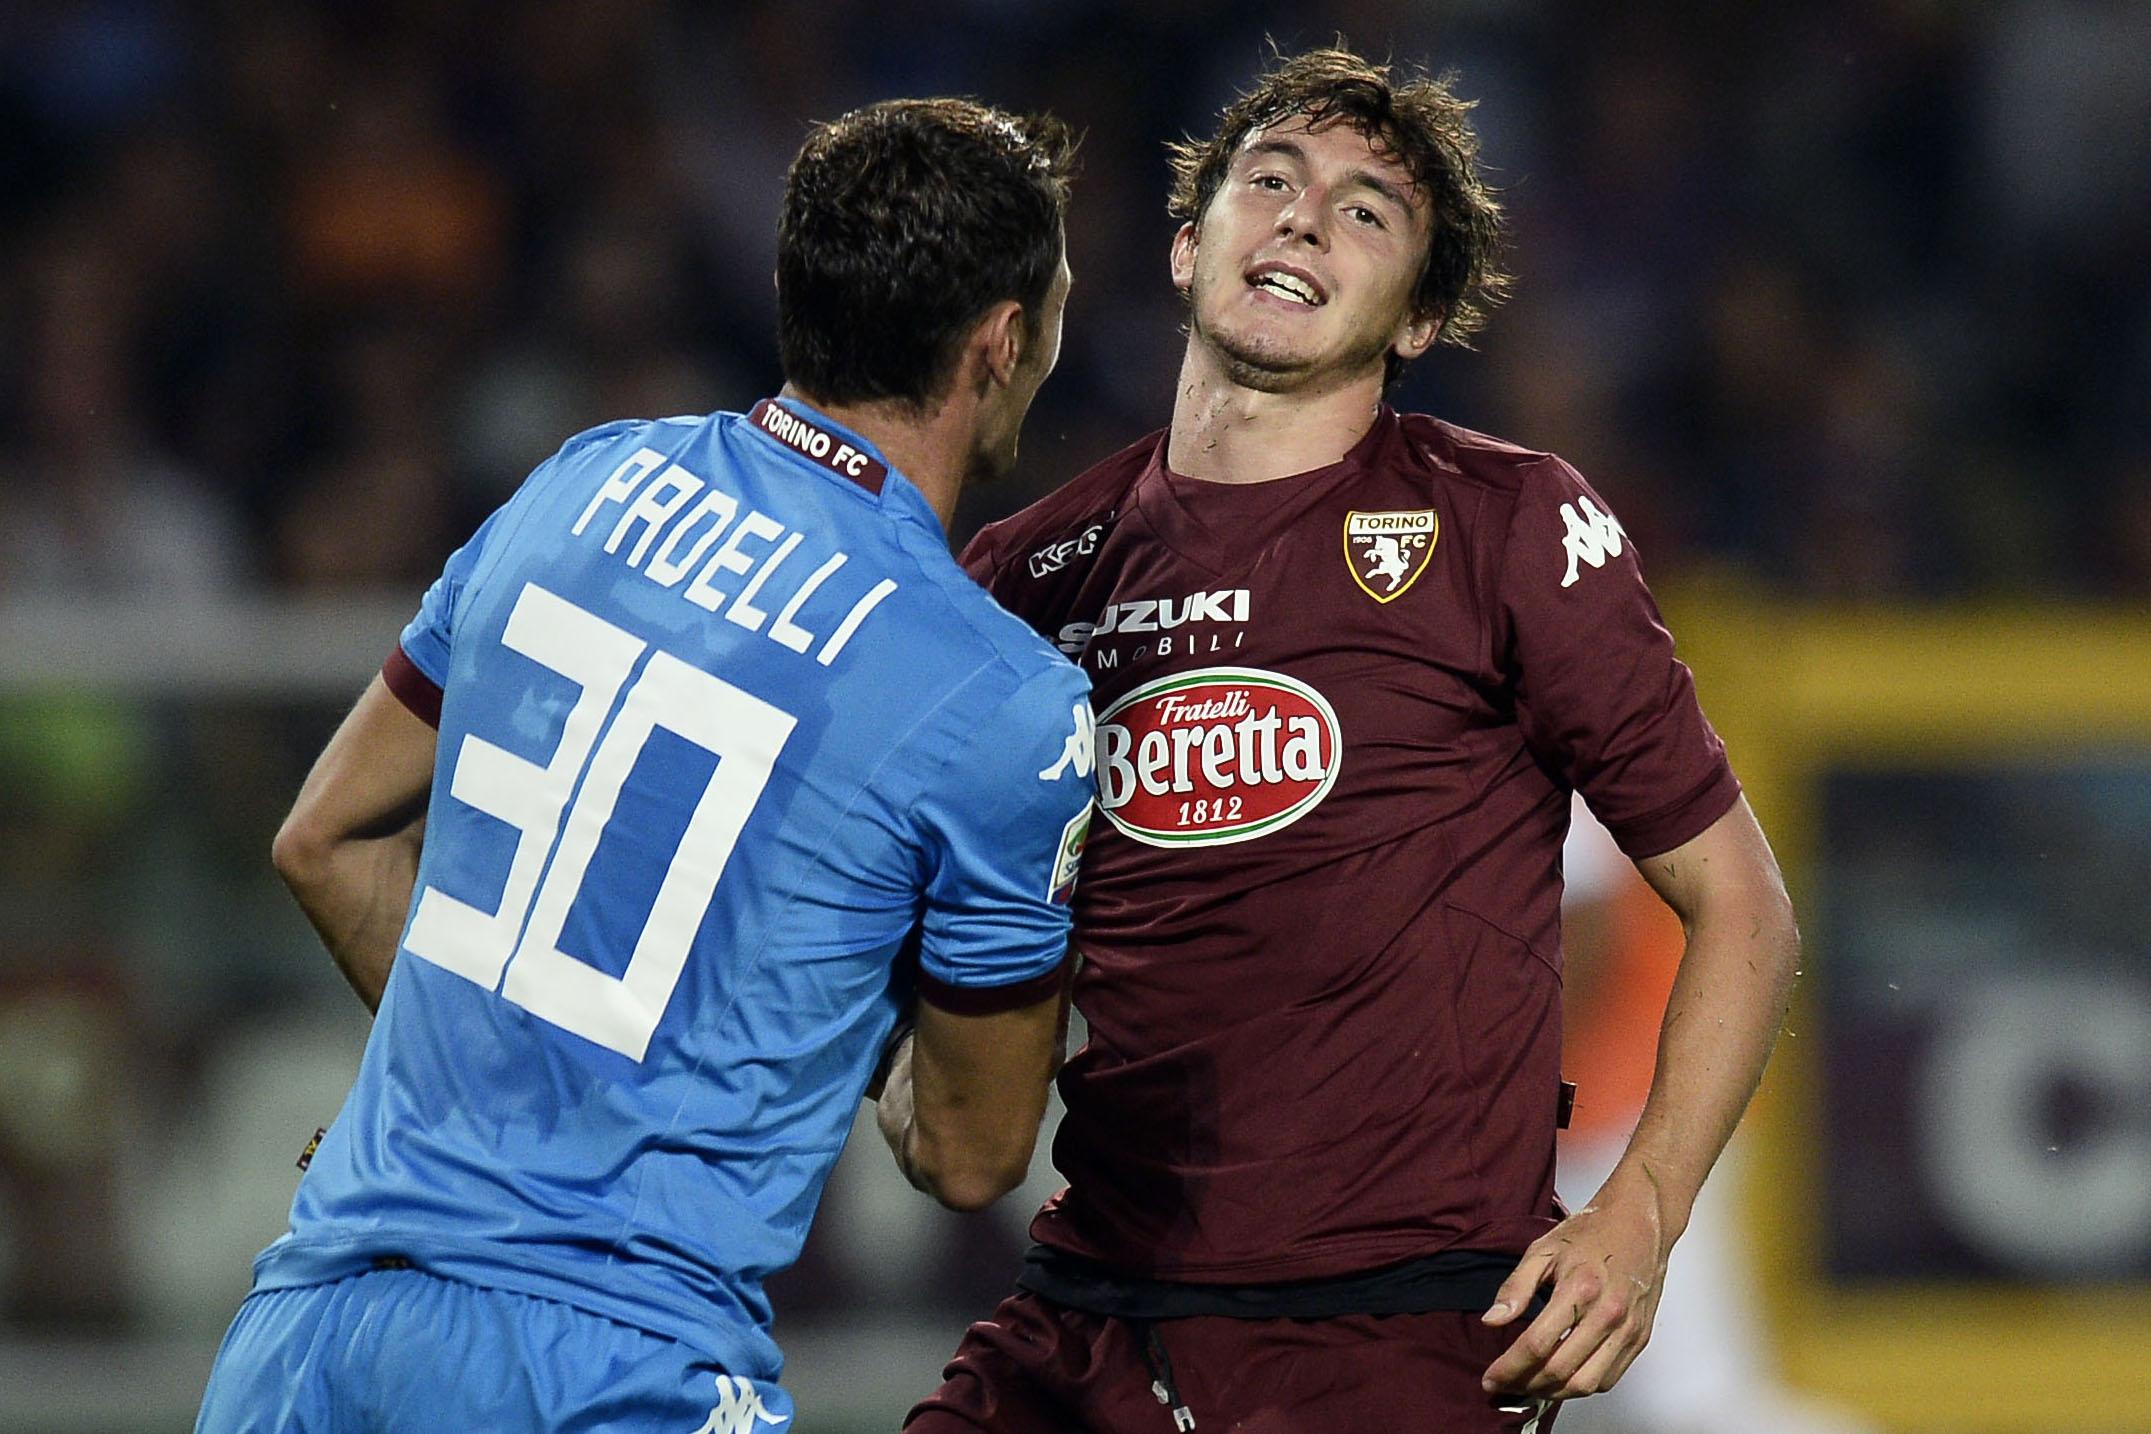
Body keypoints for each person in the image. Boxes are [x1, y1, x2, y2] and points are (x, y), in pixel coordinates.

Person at [906, 47, 1800, 1434]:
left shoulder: (1507, 526)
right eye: (1271, 181)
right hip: (1090, 1310)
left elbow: (1743, 905)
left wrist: (1641, 1210)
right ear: (1189, 245)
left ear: (1420, 318)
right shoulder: (1028, 576)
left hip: (1396, 1335)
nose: (1307, 219)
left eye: (1366, 210)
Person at [196, 97, 1089, 1433]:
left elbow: (323, 839)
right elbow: (970, 1151)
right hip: (610, 1367)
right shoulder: (1002, 697)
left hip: (315, 1325)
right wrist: (826, 1033)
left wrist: (517, 1107)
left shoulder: (580, 482)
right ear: (1005, 339)